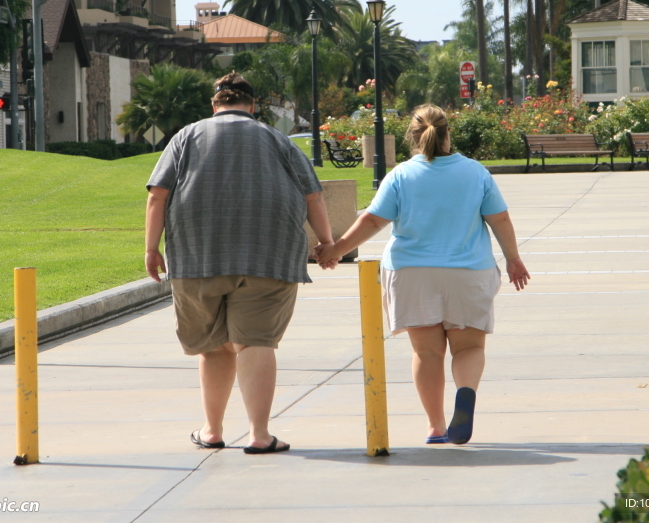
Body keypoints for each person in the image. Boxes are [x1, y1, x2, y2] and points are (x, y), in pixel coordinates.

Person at [145, 71, 334, 455]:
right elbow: (313, 196)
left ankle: (212, 430)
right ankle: (260, 435)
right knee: (255, 342)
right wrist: (328, 243)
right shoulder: (277, 139)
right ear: (251, 106)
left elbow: (157, 195)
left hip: (197, 257)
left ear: (215, 105)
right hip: (268, 255)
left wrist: (151, 248)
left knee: (212, 347)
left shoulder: (186, 136)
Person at [317, 104, 529, 445]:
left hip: (412, 274)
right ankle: (465, 392)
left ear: (413, 138)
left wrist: (335, 249)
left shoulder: (401, 175)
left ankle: (436, 426)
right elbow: (499, 218)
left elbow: (373, 220)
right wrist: (513, 259)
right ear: (448, 134)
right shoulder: (475, 173)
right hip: (468, 273)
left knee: (427, 353)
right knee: (469, 348)